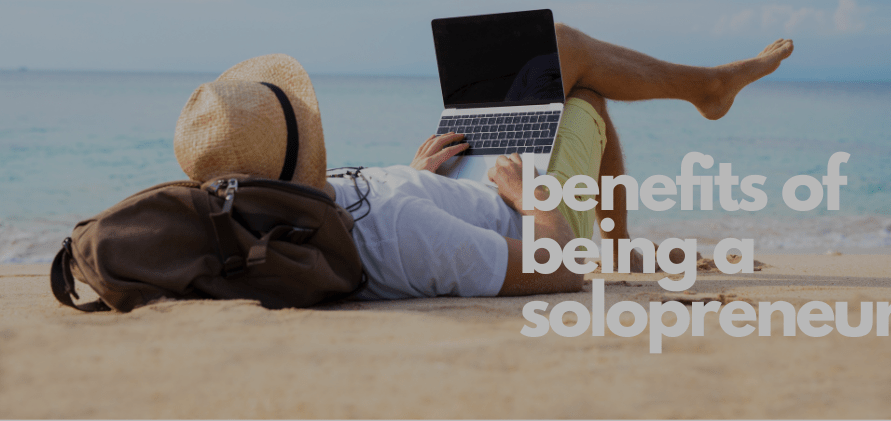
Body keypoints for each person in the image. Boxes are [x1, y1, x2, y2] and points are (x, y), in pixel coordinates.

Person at [173, 24, 793, 300]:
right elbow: (558, 272)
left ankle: (628, 228)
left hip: (461, 183)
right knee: (573, 70)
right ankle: (706, 91)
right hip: (533, 219)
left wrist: (412, 175)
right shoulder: (403, 236)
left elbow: (380, 211)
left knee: (558, 63)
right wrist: (534, 201)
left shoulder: (294, 212)